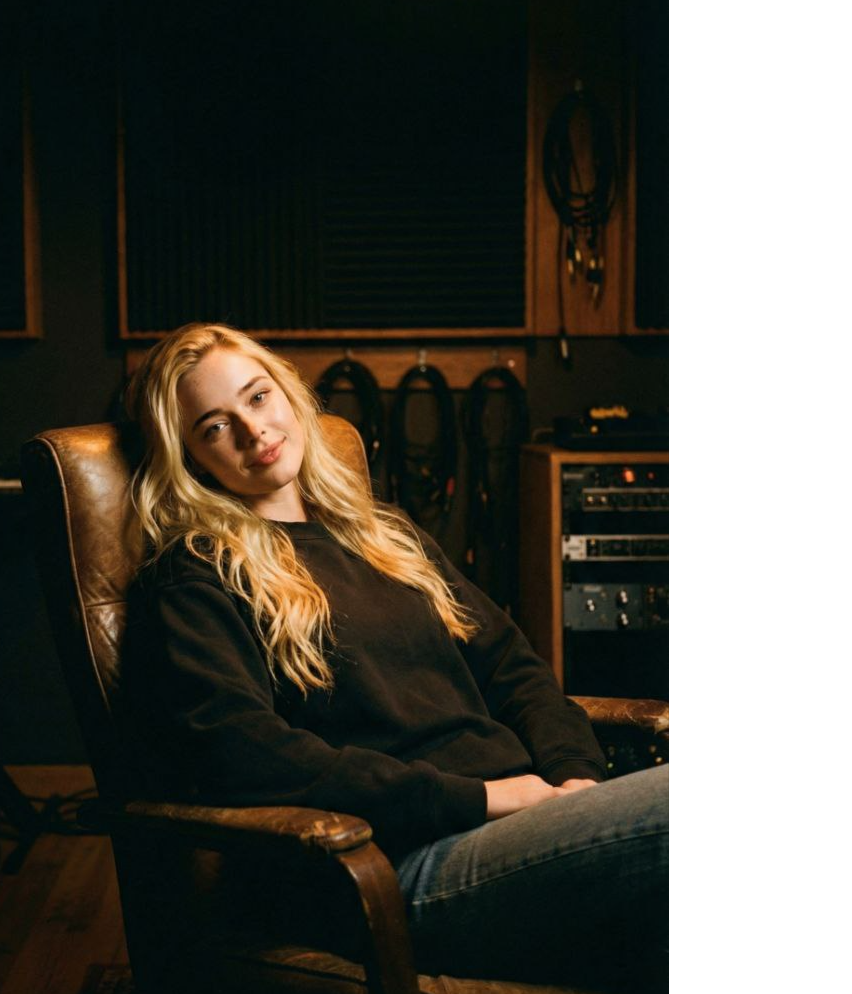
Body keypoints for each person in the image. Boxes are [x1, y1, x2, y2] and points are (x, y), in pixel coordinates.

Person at [125, 322, 668, 994]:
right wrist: (485, 798)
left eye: (258, 397)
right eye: (214, 426)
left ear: (288, 394)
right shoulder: (195, 574)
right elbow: (243, 753)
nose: (252, 430)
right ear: (188, 457)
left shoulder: (383, 535)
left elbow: (513, 668)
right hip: (401, 866)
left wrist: (576, 784)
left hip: (530, 820)